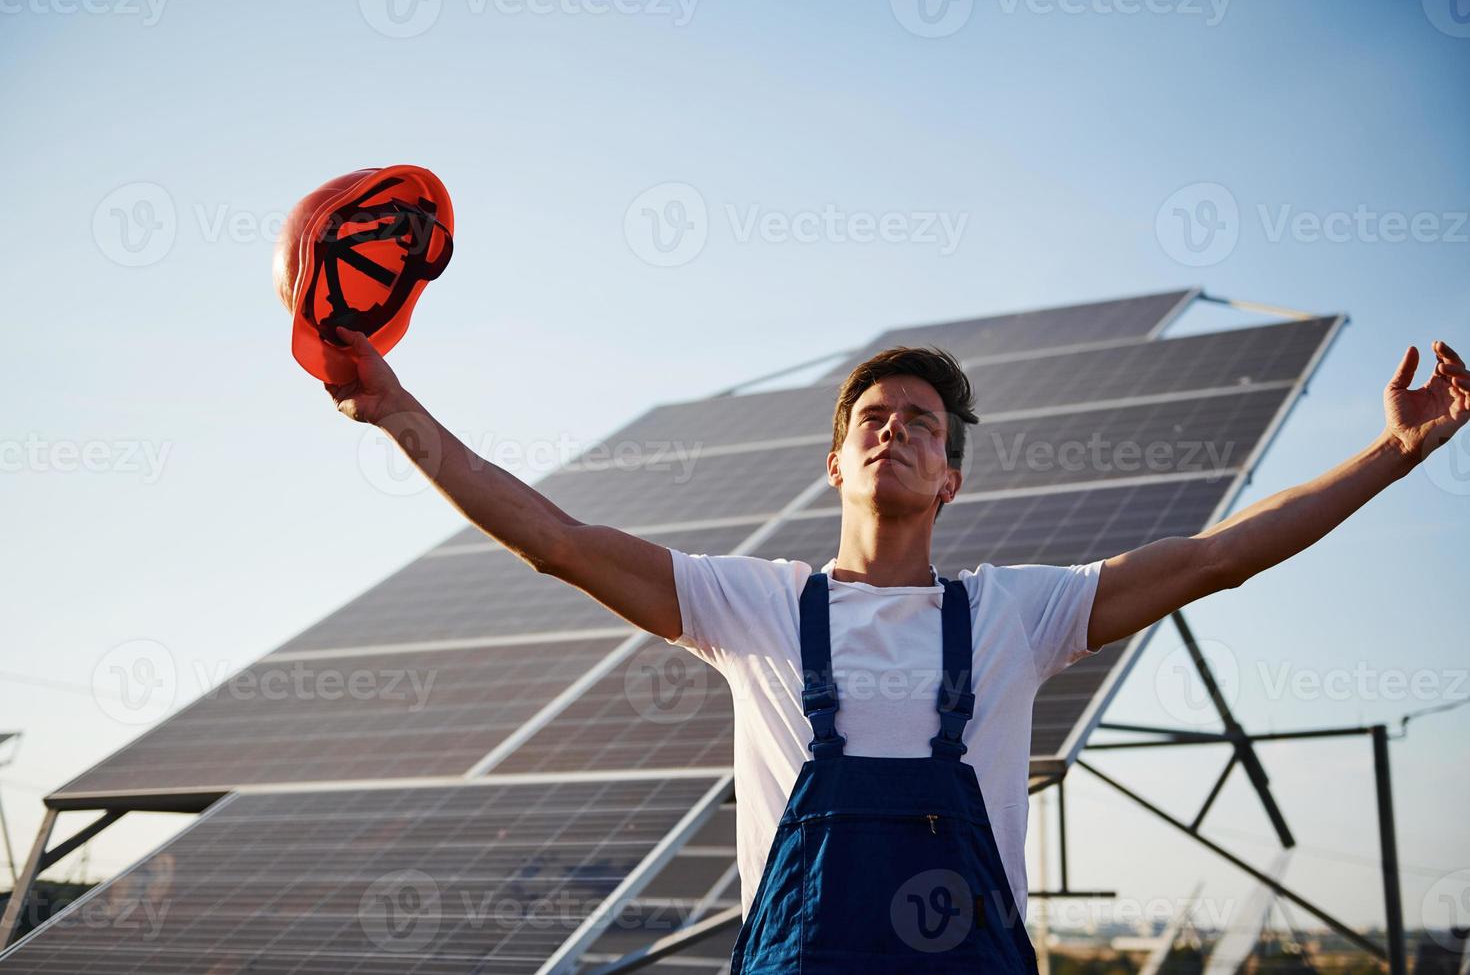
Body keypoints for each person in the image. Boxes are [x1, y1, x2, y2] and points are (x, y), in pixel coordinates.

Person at [325, 325, 1468, 972]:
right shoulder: (751, 603)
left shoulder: (1018, 610)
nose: (894, 429)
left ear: (950, 476)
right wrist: (401, 414)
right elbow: (559, 542)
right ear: (837, 465)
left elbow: (1216, 557)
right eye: (872, 417)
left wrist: (1389, 457)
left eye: (921, 421)